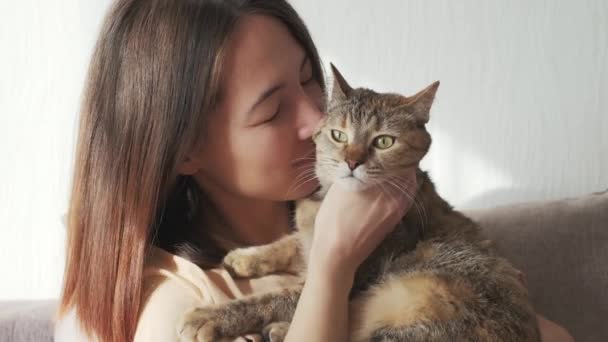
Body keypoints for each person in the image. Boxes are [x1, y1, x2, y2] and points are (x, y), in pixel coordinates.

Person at [54, 1, 574, 341]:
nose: (316, 120)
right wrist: (330, 271)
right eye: (272, 110)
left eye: (310, 83)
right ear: (186, 150)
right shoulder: (177, 307)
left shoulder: (372, 222)